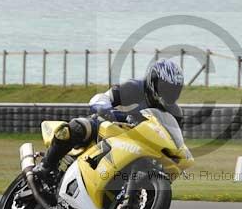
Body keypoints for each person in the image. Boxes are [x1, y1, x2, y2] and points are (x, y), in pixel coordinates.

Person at [33, 59, 184, 187]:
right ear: (153, 82)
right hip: (111, 127)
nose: (169, 93)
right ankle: (46, 166)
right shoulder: (135, 88)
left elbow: (174, 141)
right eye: (166, 88)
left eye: (174, 90)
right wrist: (105, 109)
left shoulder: (174, 113)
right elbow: (103, 97)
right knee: (79, 127)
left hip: (140, 145)